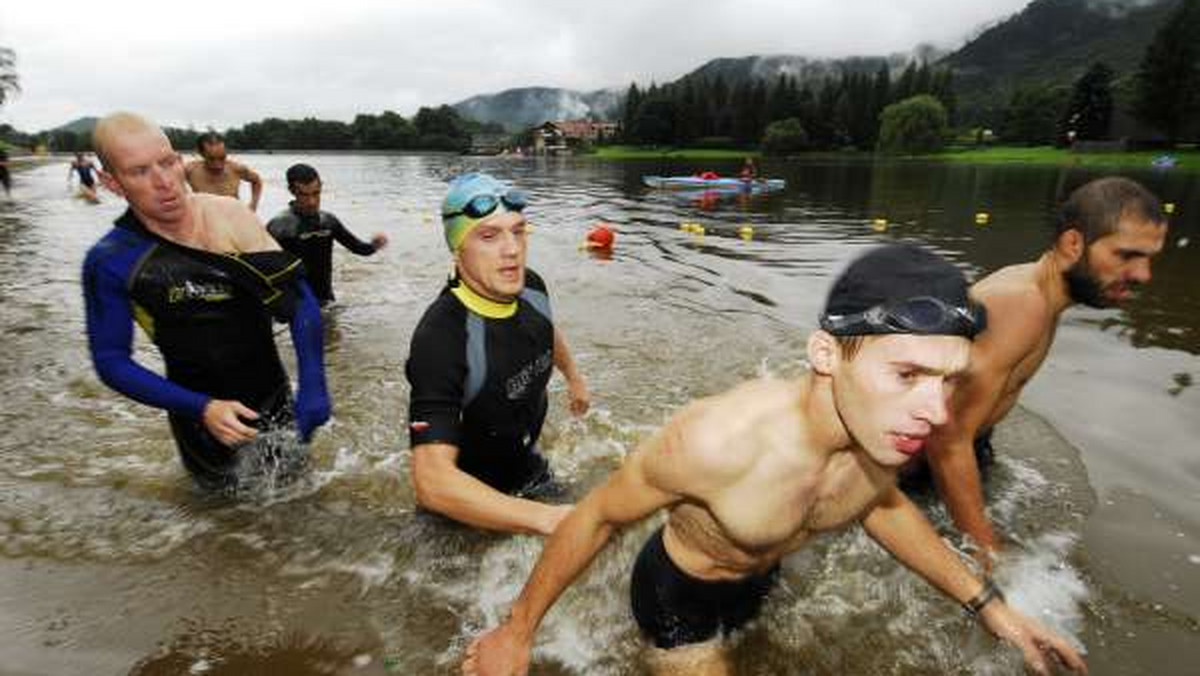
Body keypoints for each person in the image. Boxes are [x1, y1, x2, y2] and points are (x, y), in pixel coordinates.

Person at [463, 244, 1087, 676]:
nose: (938, 413)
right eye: (907, 374)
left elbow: (886, 508)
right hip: (683, 597)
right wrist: (515, 633)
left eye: (948, 380)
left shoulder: (884, 433)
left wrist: (993, 608)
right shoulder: (718, 443)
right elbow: (596, 518)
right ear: (826, 354)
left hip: (764, 576)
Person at [921, 176, 1168, 560]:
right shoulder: (1023, 304)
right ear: (1073, 244)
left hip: (962, 449)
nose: (1143, 275)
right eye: (1126, 255)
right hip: (907, 471)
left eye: (1150, 258)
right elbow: (945, 437)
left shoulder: (1041, 295)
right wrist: (989, 556)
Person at [82, 113, 330, 490]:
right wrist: (202, 408)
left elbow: (300, 301)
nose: (165, 182)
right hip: (198, 418)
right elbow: (111, 362)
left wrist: (313, 382)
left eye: (168, 163)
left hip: (274, 397)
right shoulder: (112, 261)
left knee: (301, 501)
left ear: (180, 159)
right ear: (113, 183)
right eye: (140, 172)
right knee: (223, 525)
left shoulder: (229, 216)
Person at [406, 172, 590, 536]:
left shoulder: (531, 286)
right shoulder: (442, 337)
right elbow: (432, 482)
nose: (513, 249)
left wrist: (574, 377)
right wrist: (546, 519)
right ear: (458, 249)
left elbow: (546, 329)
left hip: (527, 466)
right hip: (468, 503)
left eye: (518, 231)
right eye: (489, 236)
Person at [266, 163, 388, 305]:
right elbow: (261, 270)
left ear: (321, 188)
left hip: (326, 300)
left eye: (316, 193)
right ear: (292, 191)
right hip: (295, 303)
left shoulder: (328, 221)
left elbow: (359, 248)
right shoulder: (279, 226)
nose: (312, 202)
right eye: (304, 195)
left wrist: (375, 245)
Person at [184, 132, 263, 211]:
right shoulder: (191, 170)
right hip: (205, 217)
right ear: (201, 154)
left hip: (232, 216)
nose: (218, 165)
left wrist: (253, 205)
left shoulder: (236, 169)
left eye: (222, 158)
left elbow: (256, 181)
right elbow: (173, 181)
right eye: (211, 159)